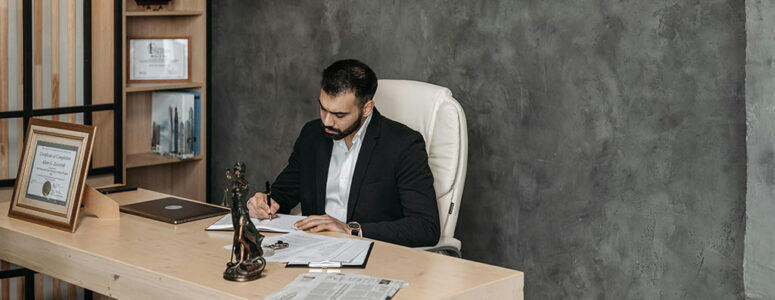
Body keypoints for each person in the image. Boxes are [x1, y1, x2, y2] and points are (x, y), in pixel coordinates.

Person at [247, 59, 440, 247]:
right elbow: (284, 193)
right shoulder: (312, 135)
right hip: (312, 251)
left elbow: (425, 227)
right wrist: (265, 202)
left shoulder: (403, 144)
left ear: (366, 108)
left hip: (375, 255)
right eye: (323, 109)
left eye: (339, 115)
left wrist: (351, 230)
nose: (327, 122)